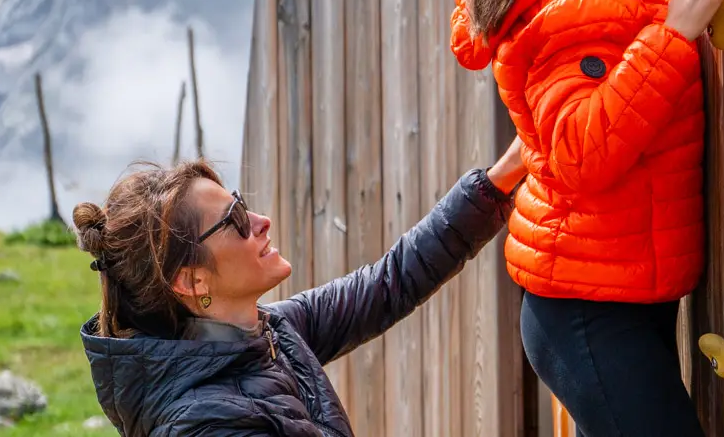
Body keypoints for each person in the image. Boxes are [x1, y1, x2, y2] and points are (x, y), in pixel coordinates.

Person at [448, 0, 724, 437]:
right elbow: (580, 151)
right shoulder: (559, 18)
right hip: (586, 312)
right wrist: (671, 36)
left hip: (609, 288)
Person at [74, 139, 526, 436]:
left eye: (241, 204)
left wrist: (501, 176)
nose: (260, 221)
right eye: (234, 221)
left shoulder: (270, 333)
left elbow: (392, 281)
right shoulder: (205, 423)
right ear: (193, 281)